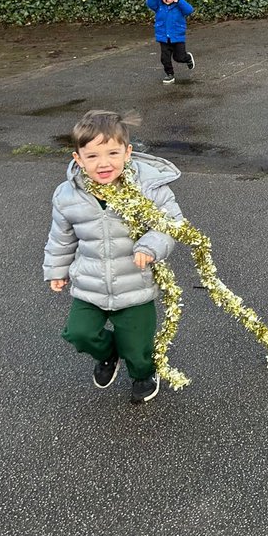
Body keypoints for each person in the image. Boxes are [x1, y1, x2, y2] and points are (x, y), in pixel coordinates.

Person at [43, 110, 183, 404]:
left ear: (127, 152)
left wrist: (150, 246)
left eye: (112, 153)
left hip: (135, 284)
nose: (103, 163)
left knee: (138, 346)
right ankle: (108, 354)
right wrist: (57, 270)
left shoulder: (148, 188)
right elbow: (61, 237)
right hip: (90, 283)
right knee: (79, 333)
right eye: (92, 156)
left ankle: (144, 374)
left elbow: (171, 224)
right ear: (78, 159)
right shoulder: (67, 196)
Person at [146, 0, 194, 85]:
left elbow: (189, 10)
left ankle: (188, 58)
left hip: (177, 36)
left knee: (179, 57)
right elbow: (149, 3)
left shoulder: (179, 5)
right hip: (163, 37)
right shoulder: (159, 5)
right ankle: (170, 74)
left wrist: (179, 1)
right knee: (165, 58)